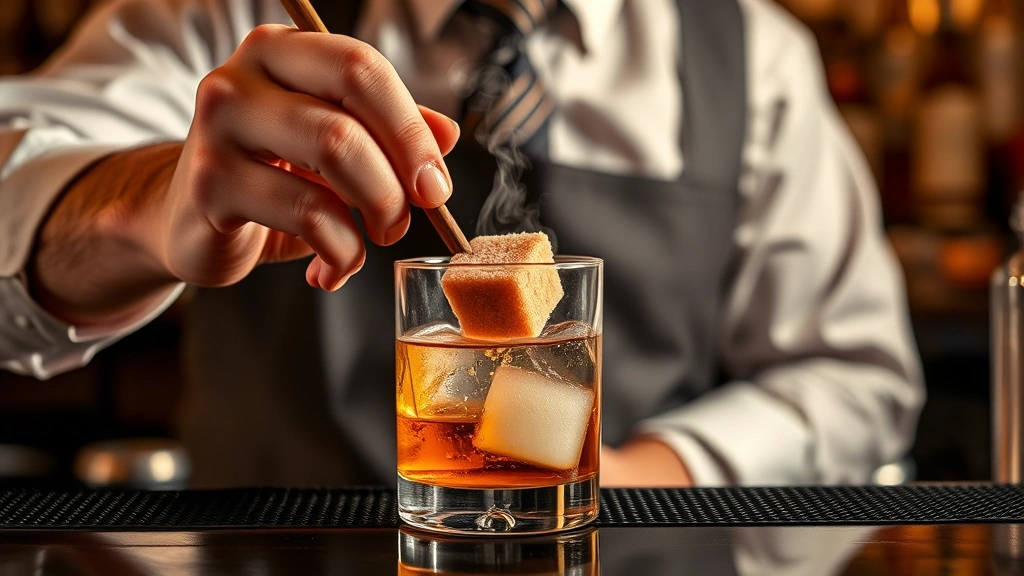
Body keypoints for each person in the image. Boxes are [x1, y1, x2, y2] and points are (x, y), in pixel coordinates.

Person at [0, 0, 924, 488]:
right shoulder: (226, 11)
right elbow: (21, 174)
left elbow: (857, 379)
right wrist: (146, 203)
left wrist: (635, 473)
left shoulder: (756, 56)